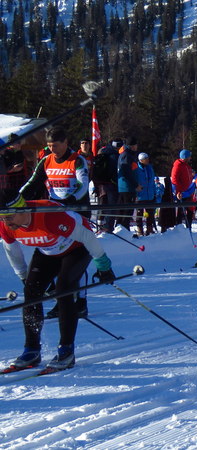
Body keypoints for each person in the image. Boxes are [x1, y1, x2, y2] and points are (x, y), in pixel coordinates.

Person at [0, 191, 115, 373]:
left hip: (77, 248)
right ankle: (31, 350)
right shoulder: (7, 225)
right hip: (47, 251)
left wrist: (103, 264)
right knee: (31, 293)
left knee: (64, 289)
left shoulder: (48, 216)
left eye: (9, 217)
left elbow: (87, 236)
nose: (6, 222)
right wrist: (23, 276)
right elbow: (12, 250)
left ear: (22, 209)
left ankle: (66, 351)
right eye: (2, 218)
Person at [19, 127, 92, 318]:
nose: (53, 150)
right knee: (59, 256)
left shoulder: (77, 160)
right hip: (55, 213)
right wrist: (17, 200)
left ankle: (80, 302)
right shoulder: (46, 161)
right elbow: (33, 182)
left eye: (56, 145)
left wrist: (70, 201)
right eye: (50, 146)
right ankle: (64, 300)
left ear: (66, 142)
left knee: (74, 256)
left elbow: (83, 185)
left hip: (76, 212)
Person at [92, 141, 120, 232]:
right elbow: (115, 171)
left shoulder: (102, 152)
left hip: (100, 184)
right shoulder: (114, 155)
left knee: (102, 205)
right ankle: (108, 227)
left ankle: (99, 226)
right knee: (111, 206)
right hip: (111, 184)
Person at [116, 138, 140, 230]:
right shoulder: (127, 155)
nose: (136, 147)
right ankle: (123, 230)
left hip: (125, 187)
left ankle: (121, 229)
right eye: (135, 145)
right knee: (127, 211)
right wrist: (135, 185)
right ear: (132, 146)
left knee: (124, 211)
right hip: (127, 188)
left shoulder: (126, 155)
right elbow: (127, 172)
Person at [134, 152, 157, 236]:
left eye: (147, 158)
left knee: (150, 213)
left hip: (149, 195)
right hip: (140, 195)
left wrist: (154, 193)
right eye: (145, 159)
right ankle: (140, 230)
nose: (147, 160)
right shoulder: (136, 169)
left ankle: (149, 229)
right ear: (141, 160)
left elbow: (152, 182)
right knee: (139, 214)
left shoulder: (150, 168)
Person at [171, 149, 194, 230]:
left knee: (190, 210)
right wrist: (178, 191)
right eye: (189, 156)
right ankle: (179, 229)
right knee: (180, 211)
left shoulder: (186, 166)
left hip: (188, 192)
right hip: (181, 193)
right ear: (186, 157)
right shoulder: (178, 165)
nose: (190, 158)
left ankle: (189, 228)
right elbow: (174, 180)